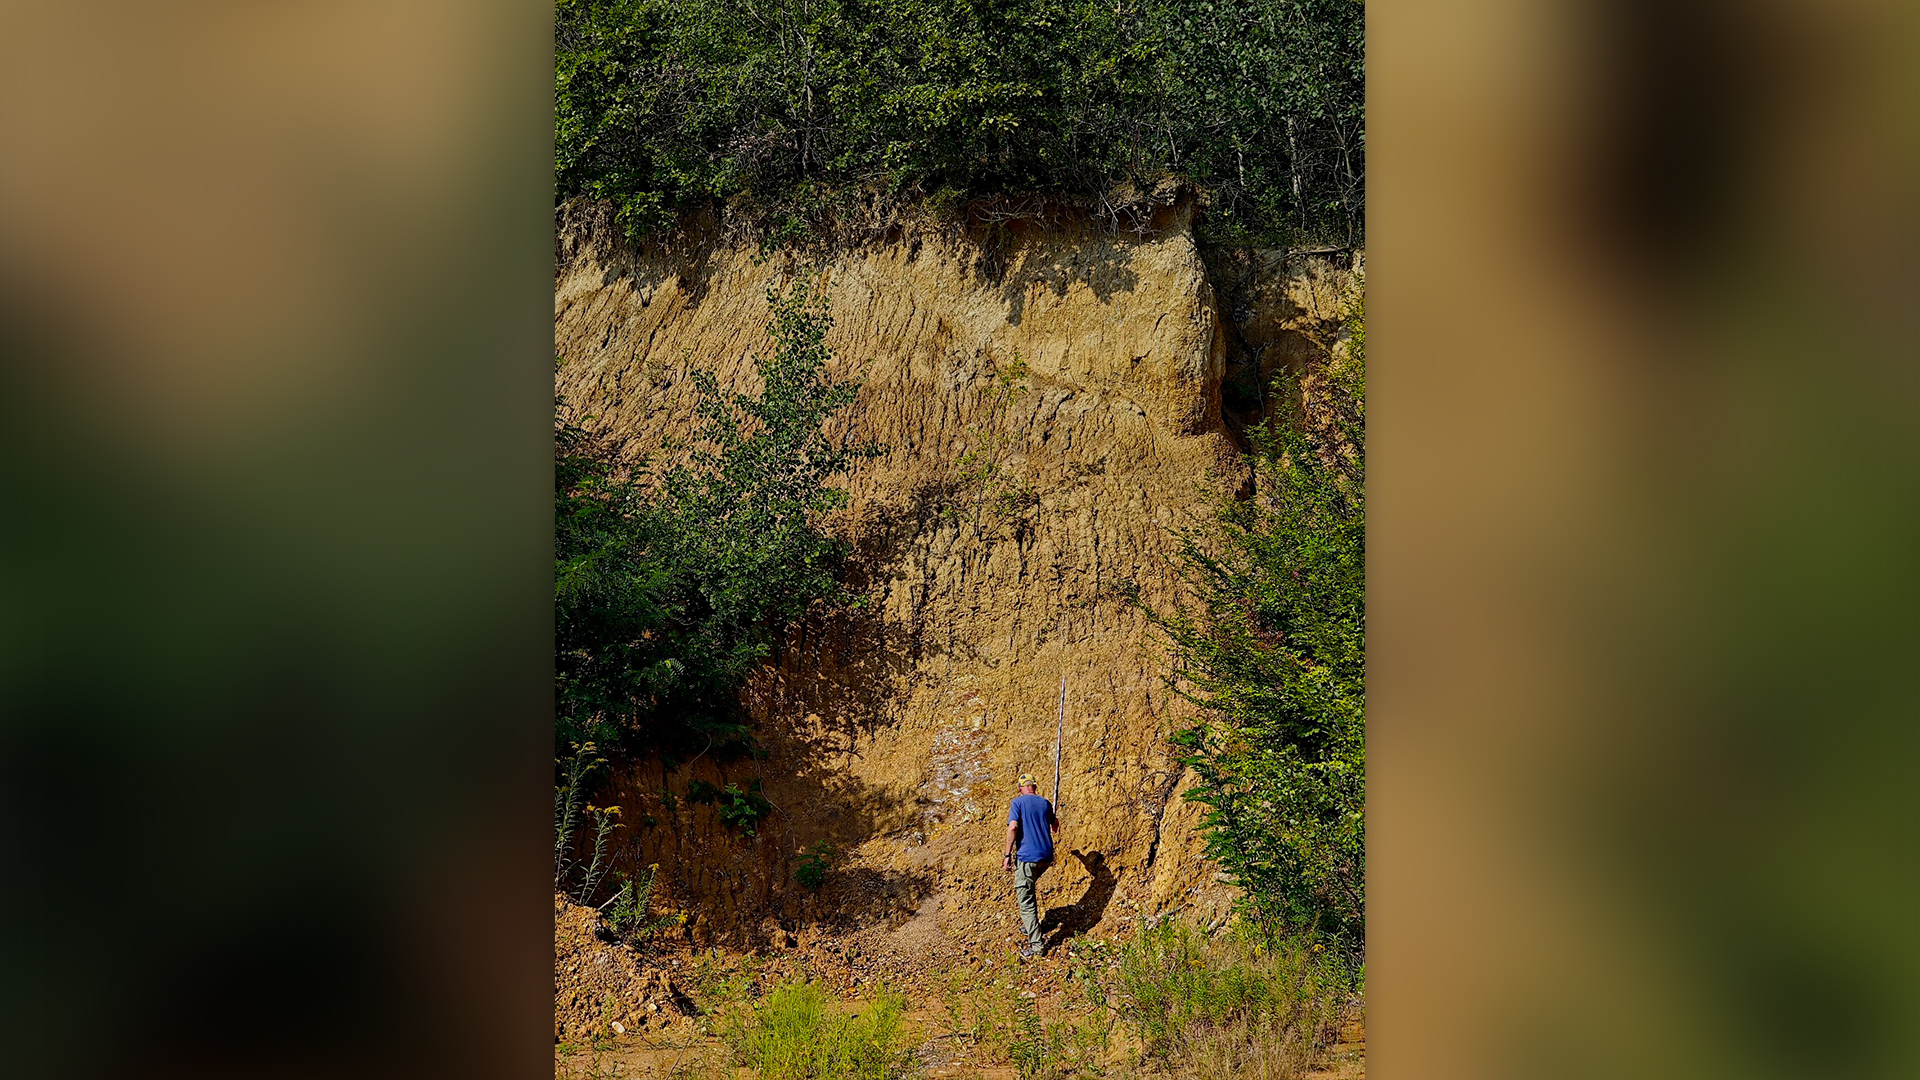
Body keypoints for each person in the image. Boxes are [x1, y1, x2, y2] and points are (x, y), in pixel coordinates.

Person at [1003, 772, 1060, 958]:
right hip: (1045, 857)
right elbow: (1055, 824)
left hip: (1027, 857)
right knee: (1030, 888)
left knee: (1026, 902)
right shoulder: (1045, 803)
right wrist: (1052, 825)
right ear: (1034, 786)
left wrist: (1007, 854)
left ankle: (1036, 946)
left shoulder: (1017, 803)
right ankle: (1032, 925)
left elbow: (1013, 827)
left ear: (1020, 788)